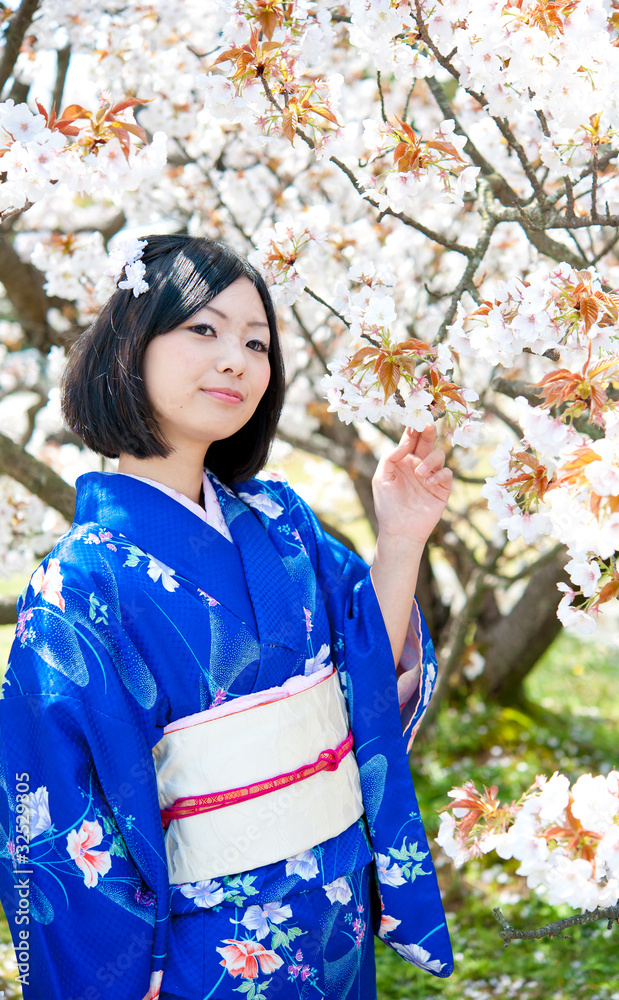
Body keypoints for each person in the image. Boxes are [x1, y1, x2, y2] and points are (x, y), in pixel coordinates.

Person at [0, 234, 454, 1000]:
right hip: (202, 946)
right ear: (130, 345)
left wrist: (401, 537)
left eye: (256, 342)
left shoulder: (282, 521)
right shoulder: (78, 583)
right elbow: (55, 795)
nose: (236, 359)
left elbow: (364, 671)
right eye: (202, 330)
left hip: (333, 905)